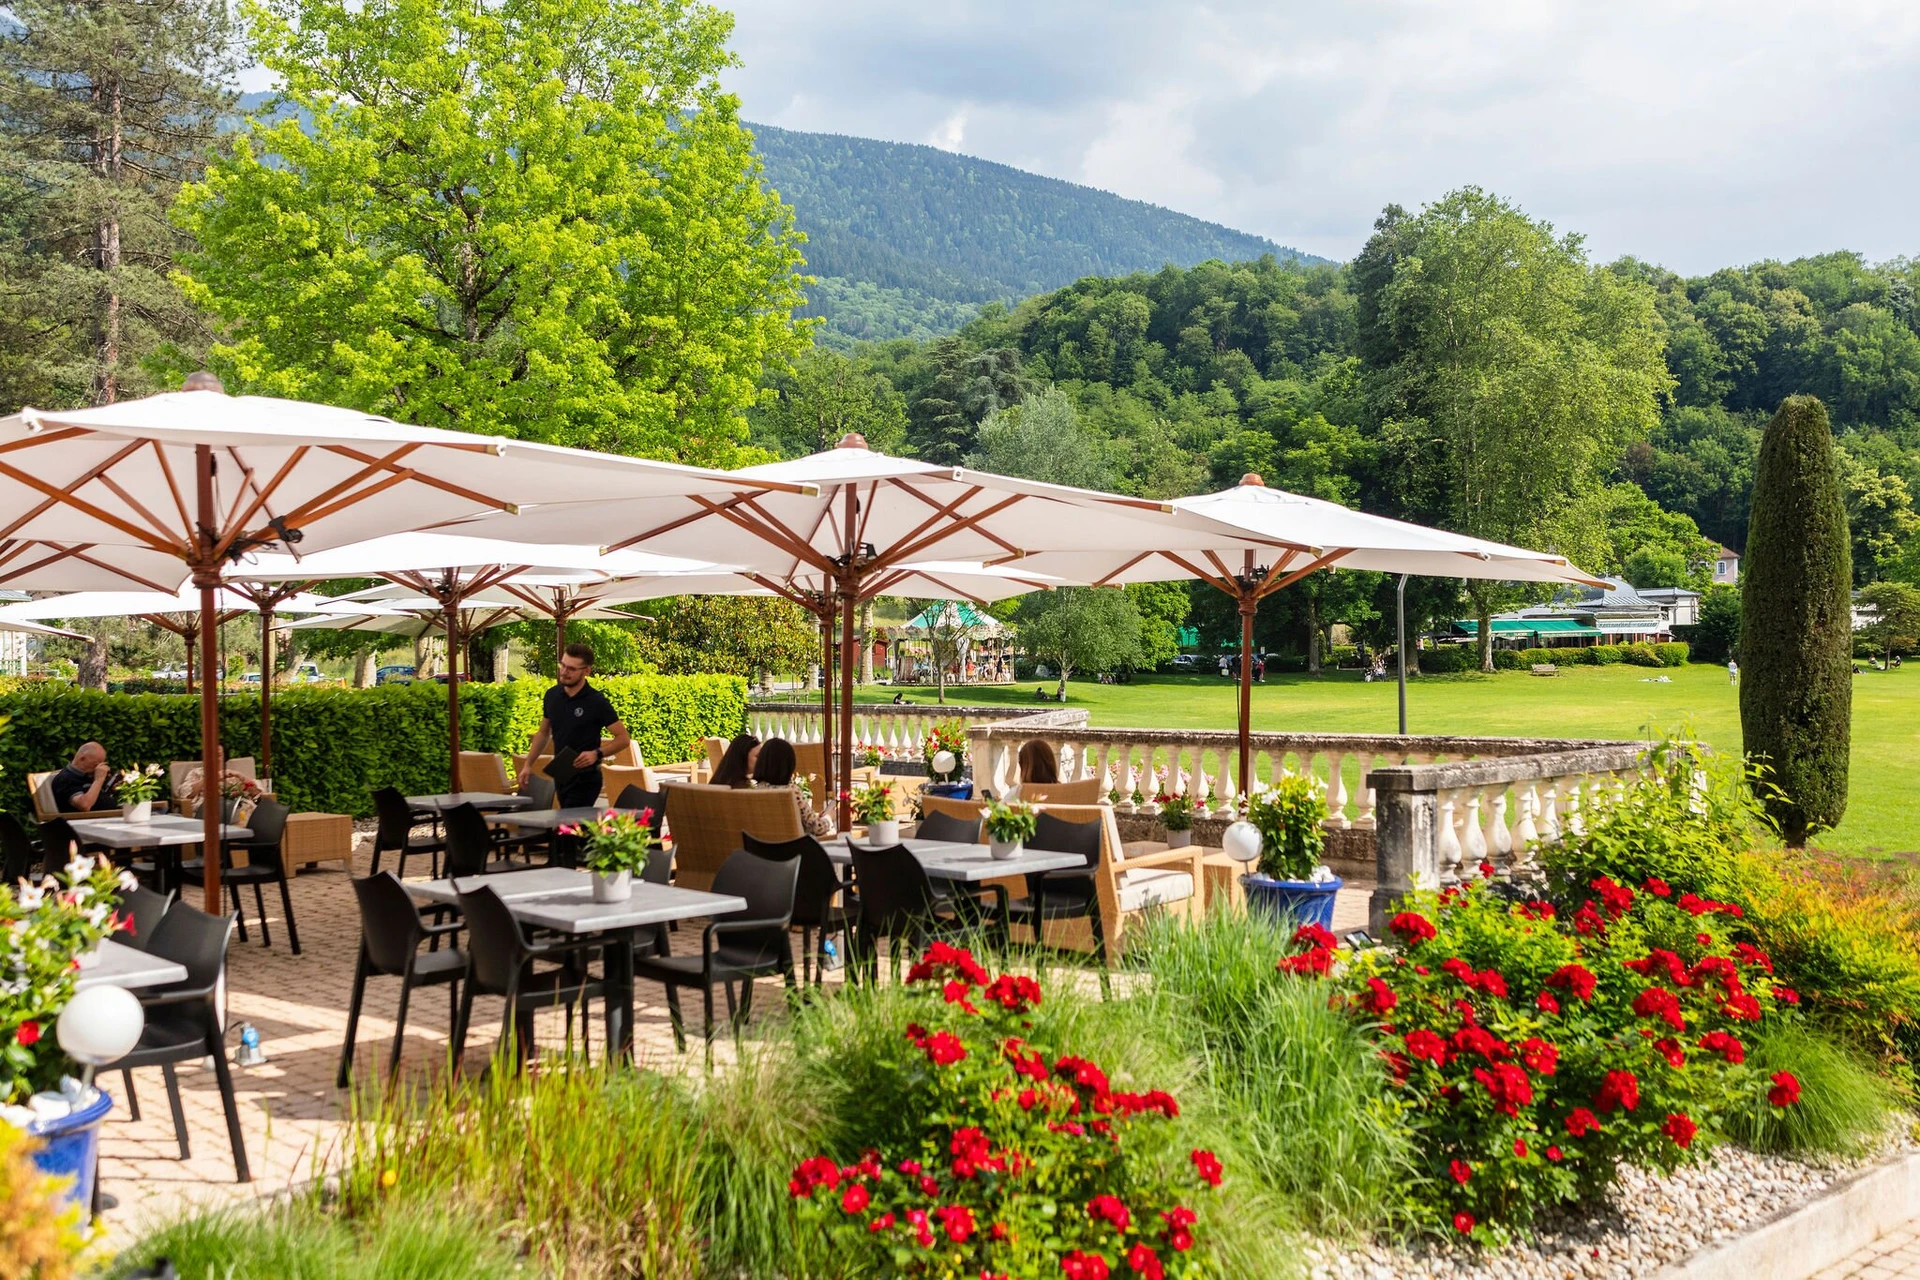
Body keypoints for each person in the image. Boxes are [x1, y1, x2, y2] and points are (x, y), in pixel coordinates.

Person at [516, 644, 632, 812]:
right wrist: (528, 765)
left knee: (571, 826)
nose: (564, 672)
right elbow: (543, 733)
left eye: (571, 669)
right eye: (562, 665)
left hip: (586, 777)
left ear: (586, 671)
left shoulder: (596, 702)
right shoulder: (552, 696)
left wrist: (597, 753)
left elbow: (623, 738)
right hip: (562, 773)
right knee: (572, 829)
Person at [750, 737, 834, 838]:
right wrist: (829, 818)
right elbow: (816, 827)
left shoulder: (755, 791)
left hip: (763, 848)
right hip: (793, 849)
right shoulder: (791, 792)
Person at [50, 742, 116, 813]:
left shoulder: (87, 775)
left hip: (111, 815)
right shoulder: (66, 779)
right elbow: (84, 805)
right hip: (86, 821)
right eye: (95, 765)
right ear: (82, 758)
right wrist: (99, 780)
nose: (98, 768)